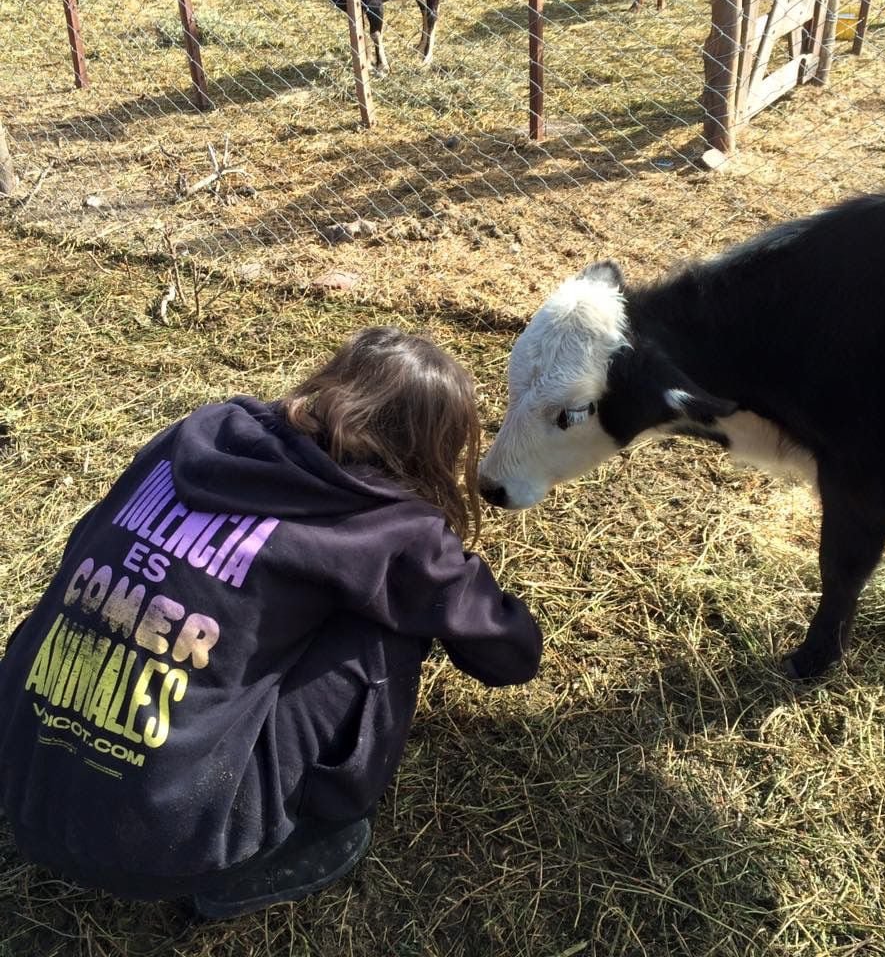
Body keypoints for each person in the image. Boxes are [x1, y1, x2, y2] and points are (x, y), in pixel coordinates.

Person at [0, 327, 542, 919]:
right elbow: (510, 654)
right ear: (427, 446)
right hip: (168, 841)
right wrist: (442, 570)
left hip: (20, 782)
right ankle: (297, 841)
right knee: (388, 624)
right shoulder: (392, 528)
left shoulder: (198, 434)